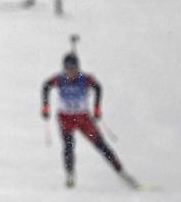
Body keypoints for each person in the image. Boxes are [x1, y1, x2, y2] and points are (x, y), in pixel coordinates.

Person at [41, 52, 140, 189]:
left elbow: (98, 87)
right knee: (68, 146)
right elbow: (46, 86)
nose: (71, 73)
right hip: (66, 119)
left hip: (83, 119)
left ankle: (122, 173)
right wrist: (45, 107)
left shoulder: (85, 79)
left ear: (78, 68)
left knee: (101, 145)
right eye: (68, 70)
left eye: (73, 69)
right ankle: (70, 175)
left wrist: (97, 108)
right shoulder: (59, 79)